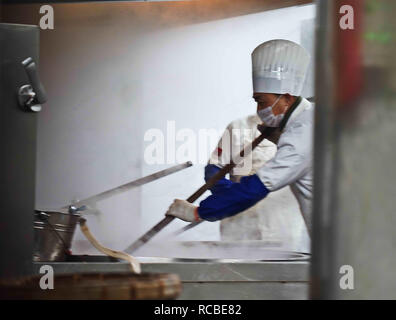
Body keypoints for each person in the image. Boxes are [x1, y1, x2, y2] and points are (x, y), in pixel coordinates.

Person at [166, 39, 314, 238]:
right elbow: (214, 169)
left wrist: (199, 211)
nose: (260, 109)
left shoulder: (302, 132)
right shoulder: (247, 127)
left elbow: (261, 184)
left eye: (262, 101)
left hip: (280, 224)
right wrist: (228, 193)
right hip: (237, 220)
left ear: (287, 98)